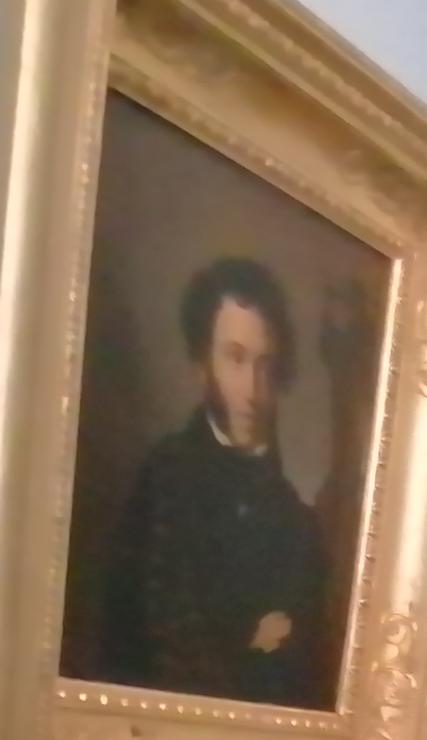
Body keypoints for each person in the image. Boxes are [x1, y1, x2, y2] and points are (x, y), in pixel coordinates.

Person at [93, 256, 332, 708]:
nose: (252, 389)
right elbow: (145, 649)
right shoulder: (162, 481)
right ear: (203, 364)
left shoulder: (298, 524)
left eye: (265, 364)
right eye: (235, 358)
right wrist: (249, 646)